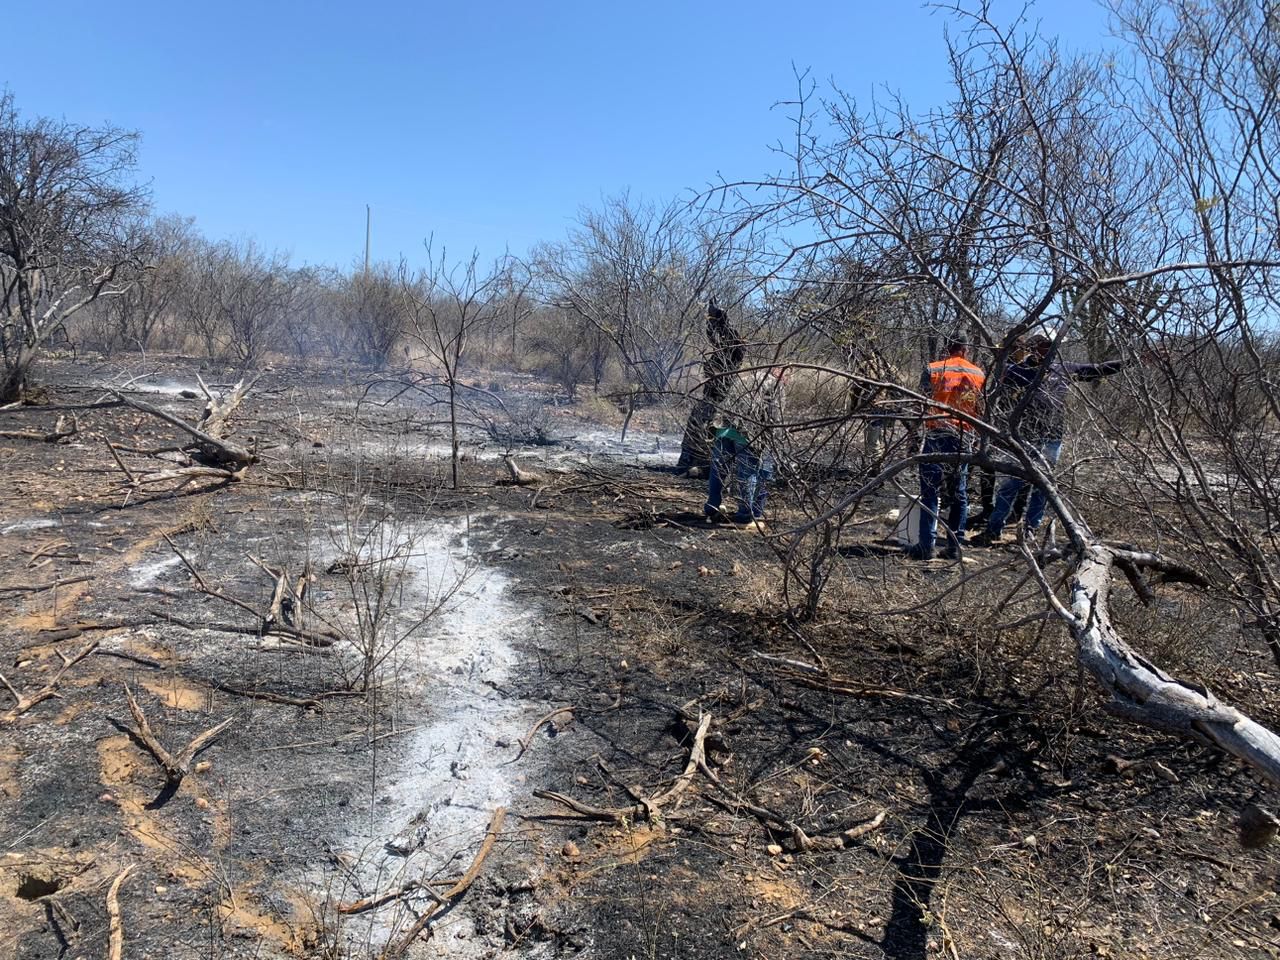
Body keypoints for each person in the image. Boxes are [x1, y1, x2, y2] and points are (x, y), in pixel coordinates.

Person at [970, 333, 1130, 545]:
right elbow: (1002, 401)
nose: (1049, 349)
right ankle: (994, 528)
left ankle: (1030, 530)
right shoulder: (1017, 371)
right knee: (1011, 484)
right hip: (1025, 437)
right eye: (1045, 345)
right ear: (1034, 347)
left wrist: (1130, 362)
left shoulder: (1063, 368)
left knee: (1042, 486)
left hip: (1052, 437)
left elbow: (1098, 369)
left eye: (1051, 346)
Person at [911, 337, 985, 561]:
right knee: (959, 492)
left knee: (930, 491)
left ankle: (926, 546)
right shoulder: (978, 373)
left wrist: (913, 439)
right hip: (963, 437)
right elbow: (981, 409)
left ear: (947, 347)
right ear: (966, 349)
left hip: (936, 433)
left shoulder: (933, 368)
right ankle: (955, 545)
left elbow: (919, 403)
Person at [704, 366, 786, 525]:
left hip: (723, 428)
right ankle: (746, 516)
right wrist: (774, 444)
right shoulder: (776, 384)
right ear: (781, 373)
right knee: (752, 470)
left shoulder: (747, 378)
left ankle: (711, 507)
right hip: (746, 429)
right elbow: (775, 418)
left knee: (719, 467)